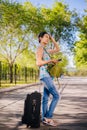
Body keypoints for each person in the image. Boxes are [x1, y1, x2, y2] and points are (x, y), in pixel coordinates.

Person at [36, 31, 60, 126]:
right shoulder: (40, 48)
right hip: (45, 75)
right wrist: (50, 60)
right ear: (40, 38)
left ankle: (44, 119)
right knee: (56, 96)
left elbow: (58, 49)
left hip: (47, 75)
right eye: (46, 37)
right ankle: (48, 118)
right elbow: (38, 63)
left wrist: (52, 39)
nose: (47, 39)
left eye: (48, 38)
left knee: (45, 98)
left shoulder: (46, 50)